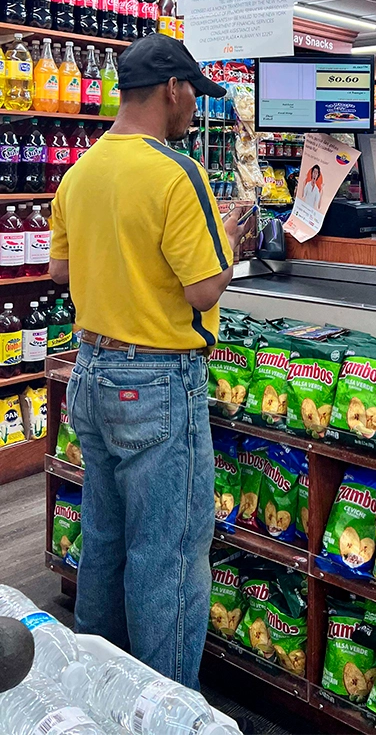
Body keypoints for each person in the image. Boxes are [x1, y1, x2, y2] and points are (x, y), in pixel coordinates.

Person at [48, 35, 248, 690]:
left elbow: (59, 271)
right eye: (194, 94)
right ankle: (164, 711)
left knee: (104, 540)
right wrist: (232, 242)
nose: (195, 108)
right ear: (171, 89)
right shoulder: (174, 172)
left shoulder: (80, 171)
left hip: (91, 371)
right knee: (166, 555)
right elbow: (202, 290)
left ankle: (98, 693)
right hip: (159, 381)